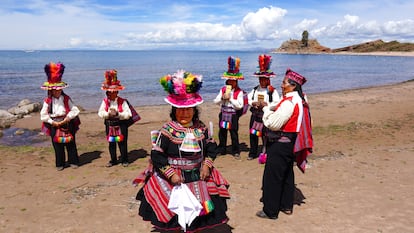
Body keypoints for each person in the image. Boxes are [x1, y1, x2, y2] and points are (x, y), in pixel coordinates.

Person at [135, 70, 230, 232]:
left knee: (201, 214)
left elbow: (211, 149)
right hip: (174, 177)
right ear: (174, 110)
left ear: (194, 110)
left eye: (188, 109)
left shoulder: (201, 128)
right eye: (180, 109)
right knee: (176, 215)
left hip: (198, 175)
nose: (184, 113)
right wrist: (171, 174)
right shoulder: (167, 130)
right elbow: (157, 155)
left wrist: (207, 165)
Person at [256, 68, 309, 220]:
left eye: (284, 82)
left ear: (292, 86)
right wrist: (271, 106)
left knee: (272, 177)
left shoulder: (289, 102)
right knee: (286, 175)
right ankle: (286, 206)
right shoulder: (300, 98)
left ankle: (270, 210)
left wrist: (266, 110)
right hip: (290, 143)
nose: (281, 85)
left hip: (280, 144)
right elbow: (279, 106)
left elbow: (273, 123)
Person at [40, 62, 81, 171]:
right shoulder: (47, 101)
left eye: (59, 89)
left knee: (71, 143)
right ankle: (60, 164)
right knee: (57, 145)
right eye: (55, 90)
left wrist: (68, 118)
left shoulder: (66, 98)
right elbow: (43, 115)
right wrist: (53, 122)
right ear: (51, 90)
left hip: (67, 122)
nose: (57, 91)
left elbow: (75, 110)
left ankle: (73, 161)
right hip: (54, 123)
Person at [247, 54, 280, 160]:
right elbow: (248, 99)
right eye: (260, 79)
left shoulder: (272, 91)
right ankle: (253, 152)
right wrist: (253, 103)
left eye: (264, 79)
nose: (261, 81)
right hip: (255, 115)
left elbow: (277, 103)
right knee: (253, 134)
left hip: (266, 116)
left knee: (265, 135)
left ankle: (266, 152)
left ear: (268, 79)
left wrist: (267, 105)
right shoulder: (255, 89)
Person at [98, 70, 133, 167]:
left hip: (121, 124)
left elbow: (128, 114)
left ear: (117, 92)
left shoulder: (123, 101)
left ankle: (124, 159)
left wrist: (118, 114)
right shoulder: (105, 102)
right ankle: (113, 160)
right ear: (108, 93)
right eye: (110, 92)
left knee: (122, 143)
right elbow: (100, 113)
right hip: (109, 125)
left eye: (114, 92)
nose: (112, 94)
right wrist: (108, 114)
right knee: (111, 144)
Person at [213, 56, 245, 159]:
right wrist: (223, 98)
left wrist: (230, 99)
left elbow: (240, 106)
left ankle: (235, 151)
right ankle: (222, 149)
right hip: (223, 113)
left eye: (233, 81)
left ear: (236, 82)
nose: (231, 83)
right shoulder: (223, 90)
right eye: (230, 81)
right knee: (222, 132)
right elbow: (215, 101)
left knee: (234, 133)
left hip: (233, 115)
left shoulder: (239, 92)